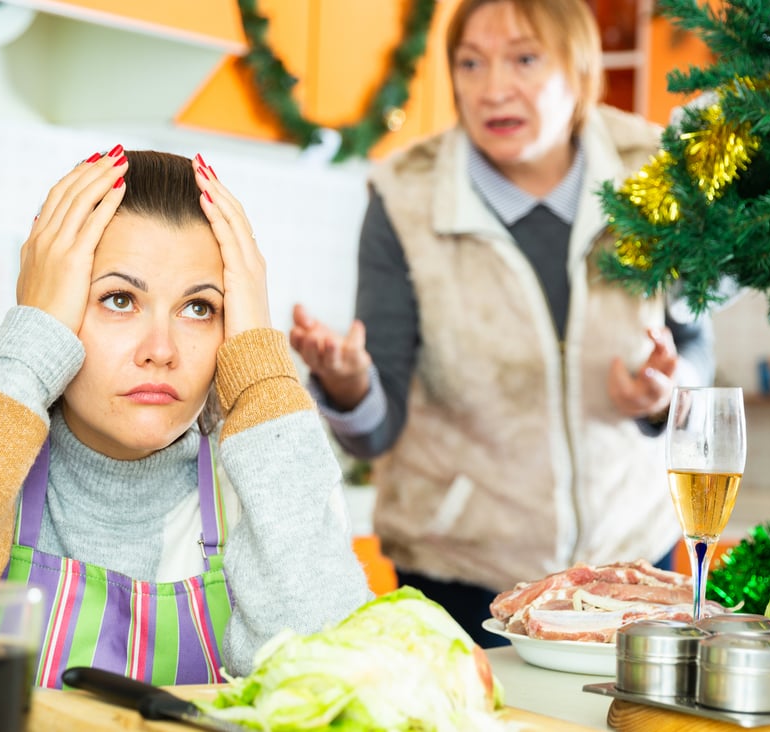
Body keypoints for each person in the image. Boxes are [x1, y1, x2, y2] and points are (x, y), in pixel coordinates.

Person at [289, 0, 714, 648]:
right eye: (470, 62)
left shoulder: (651, 170)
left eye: (523, 58)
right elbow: (378, 429)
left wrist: (666, 393)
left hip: (632, 565)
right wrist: (349, 386)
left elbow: (694, 341)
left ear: (576, 68)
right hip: (461, 581)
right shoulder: (406, 195)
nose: (492, 89)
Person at [0, 149, 370, 685]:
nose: (161, 349)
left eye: (199, 308)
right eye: (119, 299)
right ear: (54, 309)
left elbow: (332, 687)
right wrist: (30, 340)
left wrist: (261, 371)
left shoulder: (263, 486)